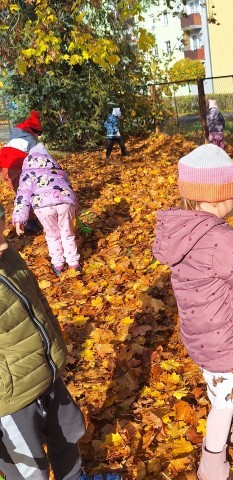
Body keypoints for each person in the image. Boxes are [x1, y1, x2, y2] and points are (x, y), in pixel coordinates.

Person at [152, 144, 233, 480]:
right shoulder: (220, 238)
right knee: (224, 403)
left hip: (200, 334)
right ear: (217, 196)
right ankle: (212, 465)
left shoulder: (183, 231)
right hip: (226, 339)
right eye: (232, 195)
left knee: (222, 390)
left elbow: (217, 271)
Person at [0, 203, 121, 480]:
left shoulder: (7, 256)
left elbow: (37, 301)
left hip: (46, 370)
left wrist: (54, 343)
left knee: (67, 432)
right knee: (30, 468)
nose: (5, 244)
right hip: (12, 397)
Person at [12, 143, 81, 276]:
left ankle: (58, 264)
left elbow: (23, 195)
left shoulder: (27, 173)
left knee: (52, 235)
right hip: (65, 202)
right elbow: (68, 187)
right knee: (67, 233)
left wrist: (20, 218)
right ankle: (74, 263)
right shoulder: (57, 169)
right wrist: (75, 208)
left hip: (43, 205)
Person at [0, 110, 44, 233]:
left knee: (21, 190)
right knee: (26, 191)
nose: (38, 137)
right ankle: (28, 221)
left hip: (4, 166)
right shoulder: (31, 140)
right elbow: (35, 158)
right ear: (34, 131)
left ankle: (28, 216)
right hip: (15, 166)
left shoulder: (15, 137)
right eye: (38, 134)